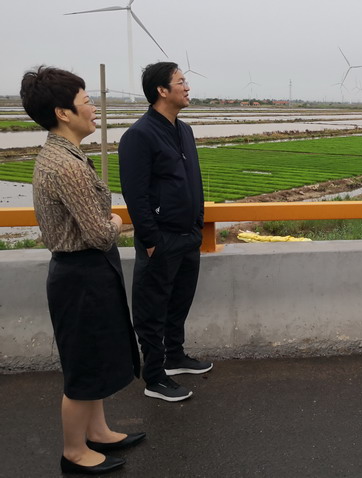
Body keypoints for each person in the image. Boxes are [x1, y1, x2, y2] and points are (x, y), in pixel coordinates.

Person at [22, 66, 144, 475]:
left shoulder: (60, 154)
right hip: (82, 274)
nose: (94, 108)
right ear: (63, 113)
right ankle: (74, 452)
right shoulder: (67, 166)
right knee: (84, 363)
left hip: (84, 271)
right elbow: (97, 233)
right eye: (87, 101)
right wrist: (116, 221)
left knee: (96, 355)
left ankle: (98, 431)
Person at [118, 62, 212, 402]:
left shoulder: (184, 130)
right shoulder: (139, 136)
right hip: (161, 239)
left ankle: (175, 356)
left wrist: (198, 222)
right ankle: (155, 377)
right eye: (180, 81)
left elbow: (194, 180)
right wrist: (152, 240)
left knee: (179, 301)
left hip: (188, 235)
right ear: (161, 90)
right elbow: (135, 194)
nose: (187, 87)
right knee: (152, 310)